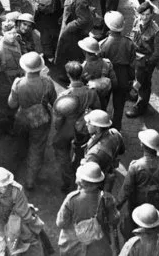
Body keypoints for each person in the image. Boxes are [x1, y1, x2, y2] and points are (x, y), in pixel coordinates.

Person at [117, 129, 159, 239]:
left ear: (142, 145)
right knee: (155, 225)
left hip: (138, 203)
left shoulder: (135, 167)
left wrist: (116, 207)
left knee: (136, 226)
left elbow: (125, 191)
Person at [8, 51, 57, 191]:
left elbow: (12, 104)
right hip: (41, 120)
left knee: (19, 142)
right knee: (37, 147)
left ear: (24, 68)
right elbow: (54, 101)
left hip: (22, 119)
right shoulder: (47, 82)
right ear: (40, 68)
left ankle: (13, 169)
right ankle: (30, 181)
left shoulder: (18, 83)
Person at [52, 61, 100, 193]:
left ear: (68, 75)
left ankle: (68, 181)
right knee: (81, 152)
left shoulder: (65, 96)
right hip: (85, 127)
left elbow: (58, 119)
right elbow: (97, 109)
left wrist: (58, 129)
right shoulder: (91, 92)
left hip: (67, 128)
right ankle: (80, 172)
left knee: (61, 150)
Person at [0, 167, 45, 256]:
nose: (4, 187)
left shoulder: (16, 191)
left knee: (30, 243)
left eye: (6, 184)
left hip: (17, 223)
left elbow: (18, 218)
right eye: (0, 186)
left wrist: (6, 240)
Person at [56, 162, 120, 256]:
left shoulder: (72, 199)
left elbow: (61, 223)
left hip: (73, 246)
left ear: (82, 181)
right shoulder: (107, 198)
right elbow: (114, 220)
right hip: (97, 246)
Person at [125, 1, 159, 118]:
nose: (145, 17)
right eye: (142, 14)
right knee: (137, 79)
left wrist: (148, 63)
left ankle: (141, 106)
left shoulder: (156, 31)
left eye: (148, 14)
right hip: (137, 57)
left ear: (152, 14)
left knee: (145, 84)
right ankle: (137, 95)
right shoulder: (137, 21)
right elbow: (133, 35)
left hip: (147, 61)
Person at [99, 11, 134, 130]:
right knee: (119, 107)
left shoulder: (102, 44)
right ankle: (116, 128)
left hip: (107, 77)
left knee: (103, 104)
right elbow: (132, 63)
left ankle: (102, 126)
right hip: (123, 77)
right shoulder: (129, 43)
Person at [55, 0, 93, 71]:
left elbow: (83, 19)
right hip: (69, 24)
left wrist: (68, 27)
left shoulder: (81, 0)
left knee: (70, 53)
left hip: (74, 32)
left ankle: (68, 73)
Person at [82, 109, 125, 192]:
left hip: (97, 181)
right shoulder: (115, 133)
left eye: (89, 123)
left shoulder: (93, 155)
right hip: (109, 171)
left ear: (97, 128)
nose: (86, 124)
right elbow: (122, 151)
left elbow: (88, 178)